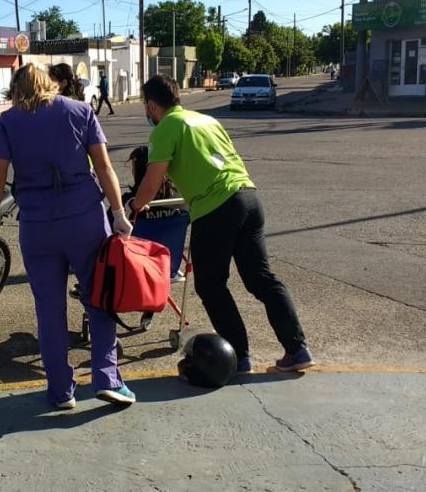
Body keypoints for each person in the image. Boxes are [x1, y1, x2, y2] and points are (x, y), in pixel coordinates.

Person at [127, 74, 314, 374]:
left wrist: (134, 205)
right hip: (248, 197)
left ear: (151, 105)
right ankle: (297, 348)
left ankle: (240, 356)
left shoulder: (167, 128)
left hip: (215, 207)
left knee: (211, 285)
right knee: (261, 279)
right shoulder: (207, 120)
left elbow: (152, 181)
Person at [0, 64, 136, 409]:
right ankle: (106, 378)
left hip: (37, 224)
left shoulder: (9, 121)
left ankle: (61, 391)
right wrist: (120, 213)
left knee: (49, 310)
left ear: (16, 89)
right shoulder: (80, 111)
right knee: (99, 297)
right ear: (51, 84)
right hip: (86, 220)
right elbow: (105, 166)